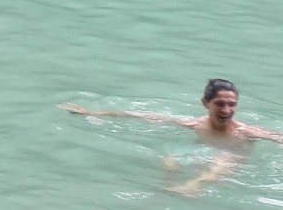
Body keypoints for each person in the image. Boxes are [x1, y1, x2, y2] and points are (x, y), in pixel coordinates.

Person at [61, 78, 283, 193]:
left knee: (222, 163)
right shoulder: (196, 125)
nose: (226, 110)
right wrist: (91, 113)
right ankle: (164, 188)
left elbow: (278, 138)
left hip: (231, 158)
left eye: (232, 104)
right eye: (220, 104)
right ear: (205, 103)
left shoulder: (246, 131)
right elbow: (145, 117)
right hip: (205, 152)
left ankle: (192, 187)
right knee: (171, 160)